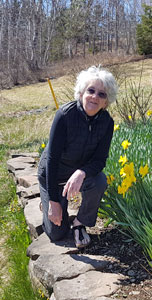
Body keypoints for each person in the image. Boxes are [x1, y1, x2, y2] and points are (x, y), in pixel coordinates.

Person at [38, 65, 118, 248]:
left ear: (106, 102)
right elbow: (51, 160)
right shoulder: (64, 116)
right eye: (91, 90)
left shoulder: (107, 123)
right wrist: (53, 202)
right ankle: (48, 205)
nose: (95, 97)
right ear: (82, 92)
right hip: (53, 175)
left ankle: (80, 222)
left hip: (77, 176)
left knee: (99, 181)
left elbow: (99, 161)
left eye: (102, 94)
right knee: (57, 233)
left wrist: (81, 172)